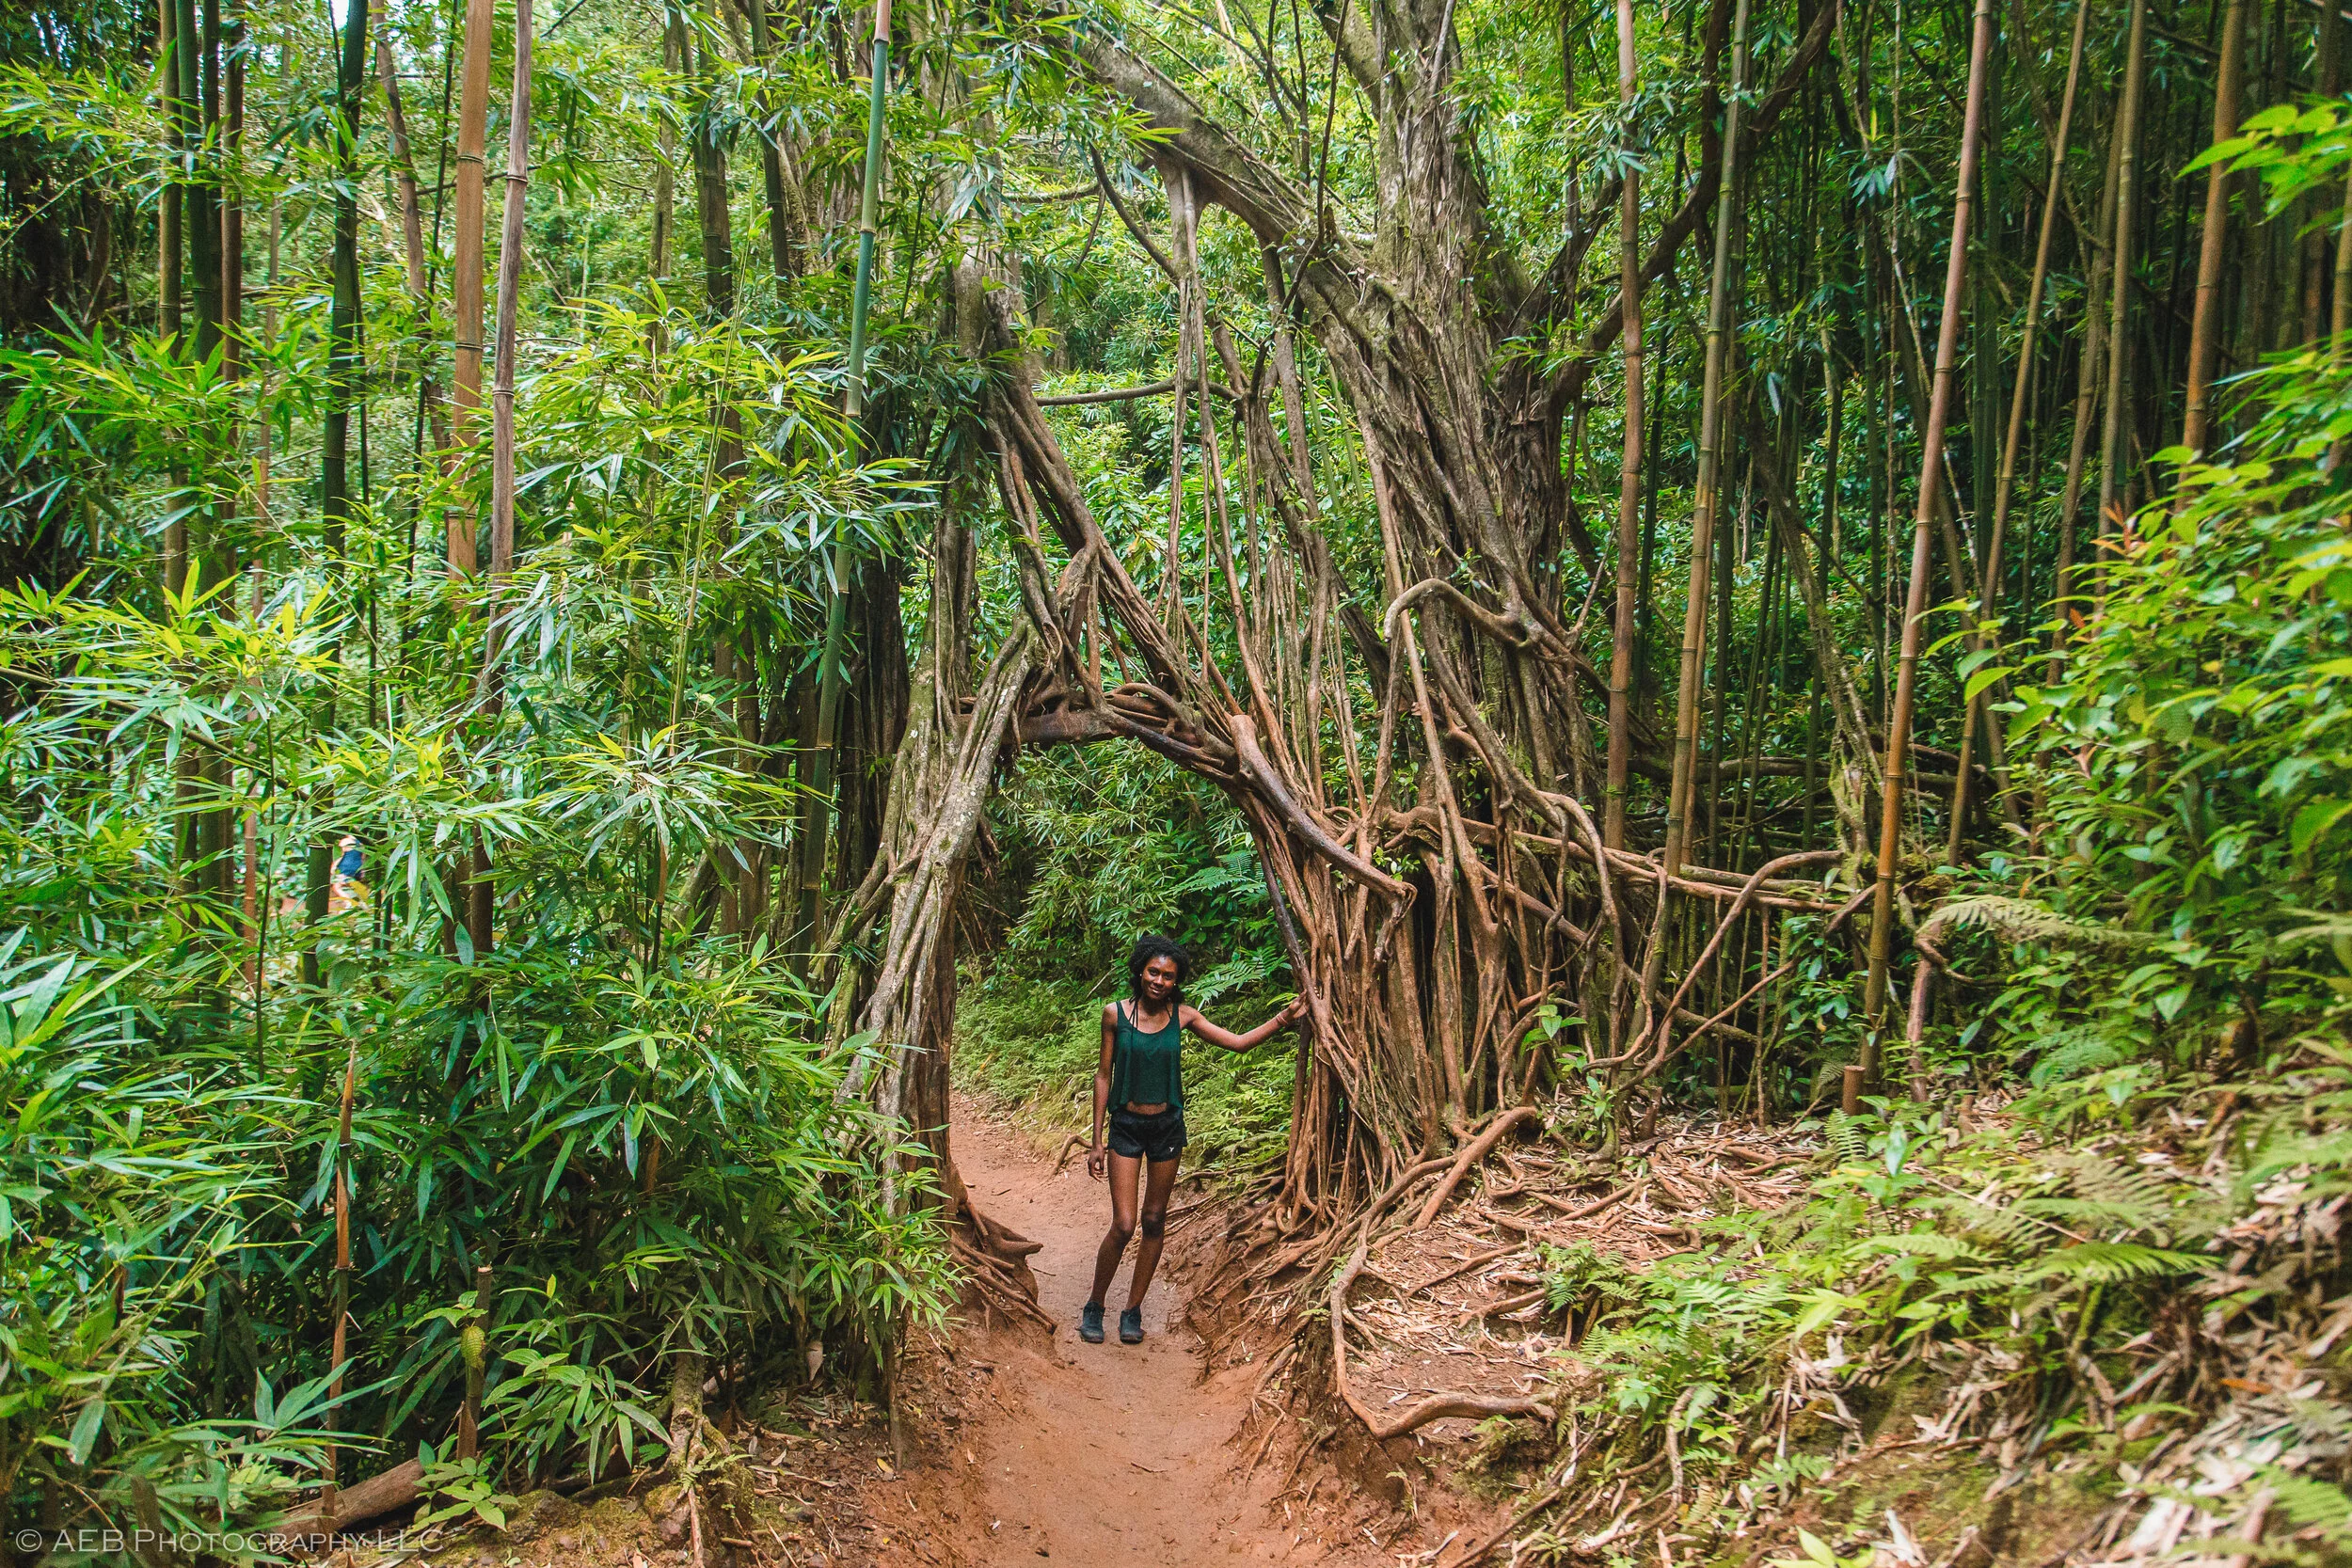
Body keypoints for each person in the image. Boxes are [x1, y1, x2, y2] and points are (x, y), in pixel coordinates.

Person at [1080, 934, 1308, 1345]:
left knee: (1153, 1220)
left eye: (1168, 975)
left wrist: (1284, 1019)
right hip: (1126, 1127)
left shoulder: (1183, 1016)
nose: (1159, 981)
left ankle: (1131, 1311)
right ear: (1140, 971)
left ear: (1177, 980)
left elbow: (1236, 1044)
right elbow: (1102, 1075)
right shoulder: (1114, 1014)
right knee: (1124, 1223)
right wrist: (1096, 1140)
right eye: (1153, 971)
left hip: (1167, 1128)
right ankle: (1095, 1305)